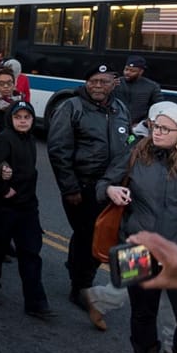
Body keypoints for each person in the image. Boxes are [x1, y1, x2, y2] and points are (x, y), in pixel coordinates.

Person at [97, 102, 177, 353]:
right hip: (136, 250)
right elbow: (103, 183)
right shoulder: (135, 153)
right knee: (143, 315)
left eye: (164, 129)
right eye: (154, 127)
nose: (156, 132)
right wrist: (110, 191)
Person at [47, 63, 132, 321]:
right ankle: (80, 286)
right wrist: (70, 187)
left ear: (113, 83)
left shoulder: (120, 109)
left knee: (111, 235)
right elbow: (58, 150)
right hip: (82, 187)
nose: (97, 86)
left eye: (103, 81)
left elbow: (128, 144)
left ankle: (82, 272)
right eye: (93, 81)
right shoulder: (71, 107)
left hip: (113, 186)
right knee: (87, 236)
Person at [0, 101, 53, 319]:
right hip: (3, 207)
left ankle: (36, 302)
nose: (23, 121)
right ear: (10, 119)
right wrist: (3, 189)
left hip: (27, 207)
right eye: (18, 117)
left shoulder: (30, 140)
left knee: (31, 253)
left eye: (27, 117)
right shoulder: (1, 140)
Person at [114, 55, 163, 127]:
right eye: (126, 69)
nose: (127, 73)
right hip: (116, 122)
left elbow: (158, 106)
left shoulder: (152, 86)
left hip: (139, 126)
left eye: (132, 71)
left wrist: (145, 122)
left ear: (141, 72)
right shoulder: (116, 83)